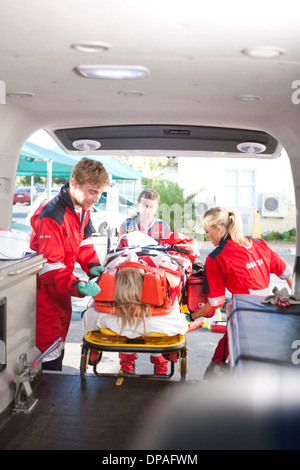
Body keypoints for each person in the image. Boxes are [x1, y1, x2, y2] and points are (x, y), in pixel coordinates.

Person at [186, 206, 293, 375]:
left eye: (207, 232)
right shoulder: (258, 244)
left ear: (219, 229)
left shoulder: (216, 258)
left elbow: (215, 303)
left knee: (221, 363)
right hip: (272, 318)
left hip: (244, 320)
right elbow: (288, 272)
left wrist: (190, 317)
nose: (206, 236)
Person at [30, 157, 110, 371]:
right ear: (74, 183)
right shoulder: (51, 215)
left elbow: (84, 243)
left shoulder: (82, 208)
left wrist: (92, 264)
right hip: (45, 296)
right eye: (92, 191)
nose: (96, 199)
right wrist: (78, 285)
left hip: (62, 293)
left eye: (100, 193)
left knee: (59, 347)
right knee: (48, 357)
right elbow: (49, 268)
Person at [82, 242, 191, 375]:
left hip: (115, 330)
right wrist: (163, 262)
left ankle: (126, 366)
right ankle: (161, 367)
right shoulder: (168, 320)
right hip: (157, 333)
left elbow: (87, 321)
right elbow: (183, 325)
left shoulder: (100, 316)